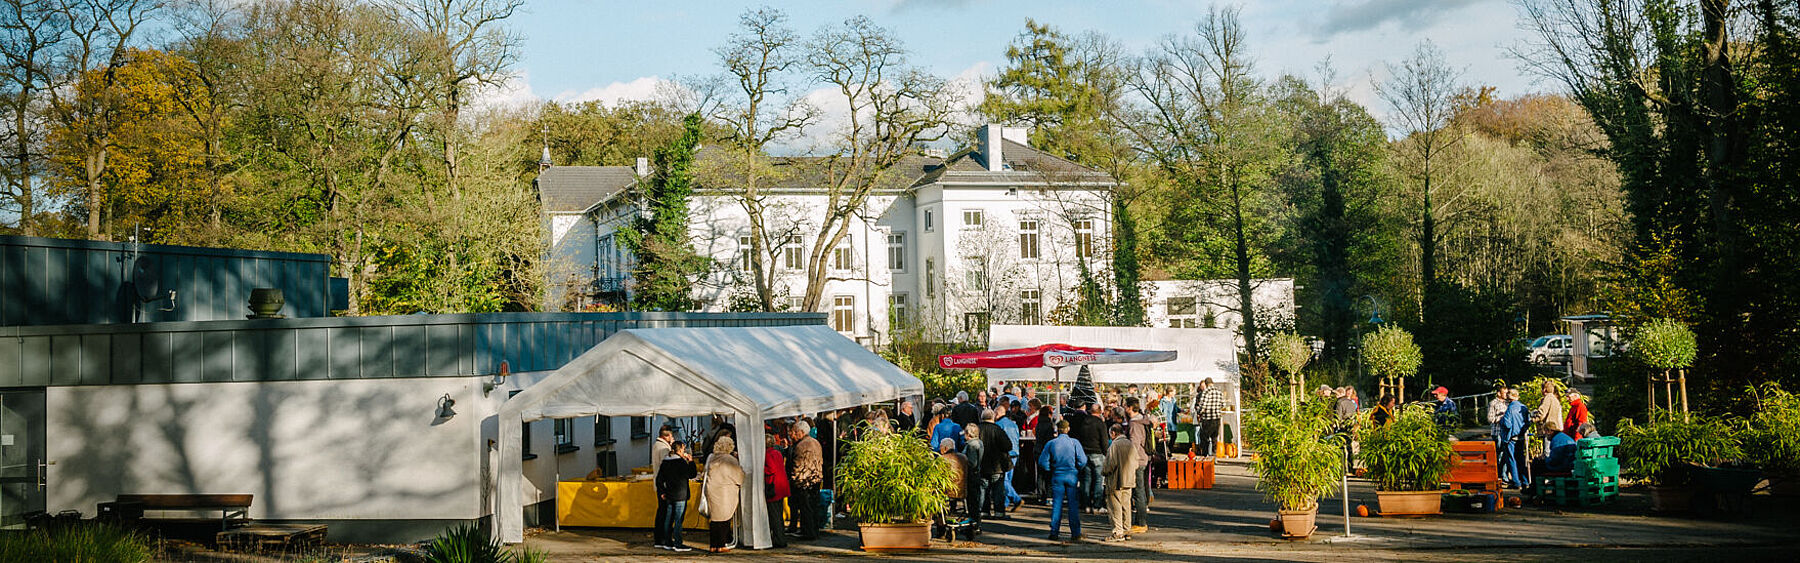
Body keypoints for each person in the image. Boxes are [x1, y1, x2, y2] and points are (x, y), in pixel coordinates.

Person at [1038, 419, 1085, 542]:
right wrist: (1077, 468)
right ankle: (1076, 532)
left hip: (1057, 475)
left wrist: (1050, 468)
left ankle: (1054, 532)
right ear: (1068, 429)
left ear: (1057, 430)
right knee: (1072, 505)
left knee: (1057, 504)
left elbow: (1042, 462)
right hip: (1071, 475)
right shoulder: (1074, 443)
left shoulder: (1051, 443)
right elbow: (1083, 460)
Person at [654, 440, 697, 552]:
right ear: (681, 449)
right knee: (678, 519)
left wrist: (662, 492)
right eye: (683, 449)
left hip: (669, 494)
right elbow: (692, 474)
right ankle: (678, 543)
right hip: (680, 494)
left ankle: (668, 542)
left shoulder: (665, 461)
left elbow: (659, 480)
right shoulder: (681, 462)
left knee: (668, 519)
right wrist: (691, 461)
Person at [703, 437, 744, 553]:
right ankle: (721, 545)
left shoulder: (712, 458)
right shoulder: (730, 460)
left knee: (715, 519)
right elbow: (739, 477)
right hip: (725, 492)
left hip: (712, 491)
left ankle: (713, 545)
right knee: (724, 519)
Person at [1101, 423, 1140, 542]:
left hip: (1115, 481)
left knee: (1115, 507)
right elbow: (1137, 462)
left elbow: (1111, 464)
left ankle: (1118, 532)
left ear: (1113, 433)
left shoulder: (1114, 445)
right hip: (1129, 480)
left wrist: (1104, 471)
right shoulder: (1130, 444)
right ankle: (1127, 530)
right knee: (1126, 506)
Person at [787, 421, 823, 541]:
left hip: (804, 481)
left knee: (805, 507)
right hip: (816, 478)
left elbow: (797, 466)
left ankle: (808, 532)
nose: (793, 435)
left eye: (795, 432)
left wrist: (793, 480)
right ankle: (814, 530)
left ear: (801, 433)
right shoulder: (815, 442)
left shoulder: (801, 446)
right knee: (814, 506)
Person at [1071, 402, 1109, 512]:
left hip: (1084, 453)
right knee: (1098, 480)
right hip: (1097, 453)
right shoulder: (1100, 423)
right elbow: (1104, 441)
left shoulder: (1084, 422)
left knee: (1086, 480)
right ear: (1100, 411)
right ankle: (1097, 505)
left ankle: (1086, 504)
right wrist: (1106, 453)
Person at [1124, 397, 1152, 533]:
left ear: (1130, 408)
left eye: (1125, 406)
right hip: (1144, 457)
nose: (1124, 409)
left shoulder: (1134, 424)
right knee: (1141, 490)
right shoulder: (1144, 420)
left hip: (1137, 460)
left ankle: (1141, 522)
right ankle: (1140, 521)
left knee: (1138, 492)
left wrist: (1128, 460)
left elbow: (1133, 444)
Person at [994, 403, 1024, 511]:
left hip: (1005, 454)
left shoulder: (998, 425)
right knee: (1008, 479)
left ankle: (1016, 499)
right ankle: (1005, 503)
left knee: (1004, 480)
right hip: (1015, 453)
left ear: (997, 414)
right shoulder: (1013, 424)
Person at [763, 434, 790, 549]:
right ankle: (780, 538)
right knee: (778, 515)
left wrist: (760, 467)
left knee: (774, 516)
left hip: (773, 487)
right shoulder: (777, 453)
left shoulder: (767, 454)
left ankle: (779, 540)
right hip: (780, 486)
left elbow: (771, 469)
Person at [1499, 388, 1530, 488]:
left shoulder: (1510, 408)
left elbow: (1507, 424)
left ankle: (1516, 482)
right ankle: (1525, 481)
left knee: (1512, 460)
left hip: (1511, 437)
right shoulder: (1523, 407)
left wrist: (1501, 420)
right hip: (1521, 436)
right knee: (1521, 459)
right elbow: (1528, 422)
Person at [1194, 379, 1225, 458]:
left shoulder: (1206, 392)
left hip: (1207, 418)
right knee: (1214, 438)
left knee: (1204, 438)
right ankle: (1214, 456)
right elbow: (1223, 405)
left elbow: (1203, 406)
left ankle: (1205, 456)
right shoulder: (1219, 392)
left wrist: (1199, 412)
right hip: (1216, 418)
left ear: (1206, 384)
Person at [1534, 380, 1565, 449]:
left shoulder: (1548, 398)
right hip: (1557, 428)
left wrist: (1532, 419)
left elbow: (1542, 414)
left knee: (1547, 451)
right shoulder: (1555, 398)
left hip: (1549, 429)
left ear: (1544, 389)